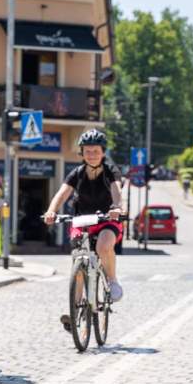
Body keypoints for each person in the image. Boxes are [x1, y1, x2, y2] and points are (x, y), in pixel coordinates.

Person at [44, 128, 124, 322]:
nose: (92, 155)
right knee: (78, 260)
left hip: (107, 220)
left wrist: (117, 208)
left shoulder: (110, 171)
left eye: (96, 151)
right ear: (82, 153)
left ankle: (112, 281)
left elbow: (117, 191)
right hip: (82, 221)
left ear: (103, 152)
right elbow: (62, 194)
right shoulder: (77, 173)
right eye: (88, 151)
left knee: (103, 246)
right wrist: (52, 210)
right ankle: (76, 309)